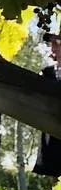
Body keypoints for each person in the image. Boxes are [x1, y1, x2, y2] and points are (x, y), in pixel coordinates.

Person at [33, 34, 61, 177]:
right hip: (52, 143)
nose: (53, 49)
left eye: (56, 44)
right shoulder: (47, 73)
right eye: (53, 45)